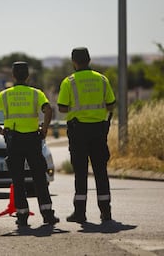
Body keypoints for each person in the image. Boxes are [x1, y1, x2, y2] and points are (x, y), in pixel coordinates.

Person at [0, 61, 60, 227]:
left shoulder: (5, 94)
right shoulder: (36, 93)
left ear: (13, 75)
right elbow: (48, 110)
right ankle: (47, 214)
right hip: (33, 139)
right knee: (39, 177)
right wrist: (45, 129)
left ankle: (22, 215)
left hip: (14, 140)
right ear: (27, 76)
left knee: (18, 179)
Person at [57, 47, 116, 223]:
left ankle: (80, 213)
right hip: (99, 131)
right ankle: (106, 213)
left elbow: (61, 107)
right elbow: (111, 104)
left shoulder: (69, 82)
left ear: (74, 61)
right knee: (101, 172)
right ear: (89, 59)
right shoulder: (102, 79)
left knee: (80, 173)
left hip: (78, 132)